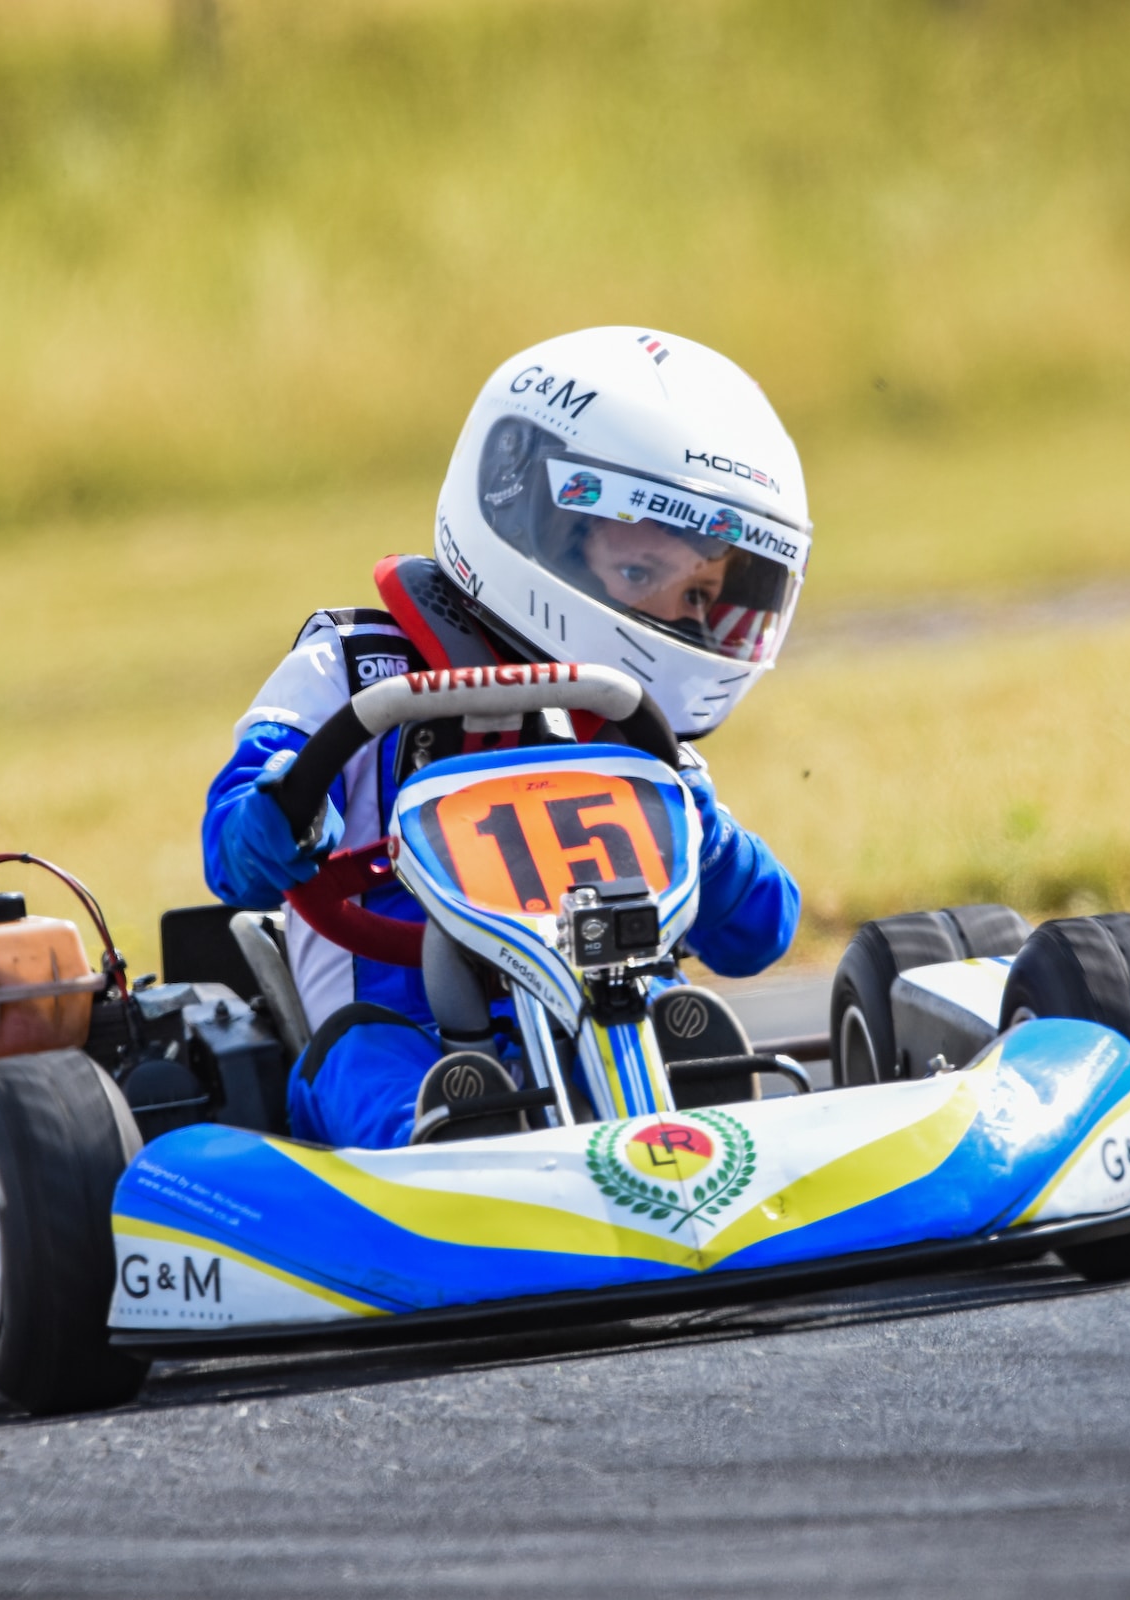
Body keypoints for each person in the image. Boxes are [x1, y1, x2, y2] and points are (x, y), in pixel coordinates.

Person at [200, 327, 811, 1148]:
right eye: (641, 576)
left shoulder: (629, 726)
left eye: (699, 592)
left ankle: (703, 1144)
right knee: (374, 1069)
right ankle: (439, 1170)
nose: (676, 617)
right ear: (536, 525)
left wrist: (701, 832)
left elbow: (756, 934)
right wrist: (280, 812)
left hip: (602, 1004)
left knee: (676, 1013)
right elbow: (230, 847)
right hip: (394, 1012)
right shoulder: (349, 669)